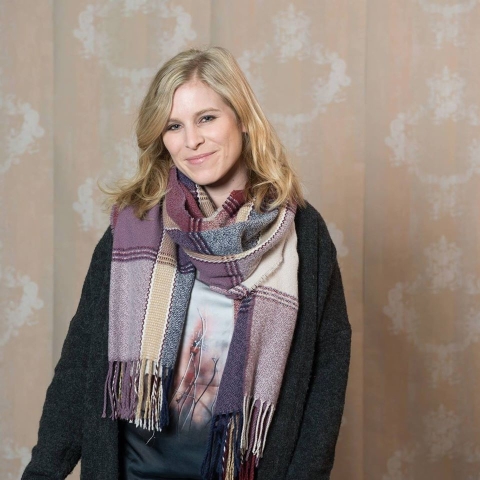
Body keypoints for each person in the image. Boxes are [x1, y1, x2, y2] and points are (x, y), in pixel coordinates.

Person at [22, 46, 351, 480]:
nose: (191, 140)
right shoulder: (134, 226)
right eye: (174, 125)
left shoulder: (303, 235)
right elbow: (80, 363)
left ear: (243, 119)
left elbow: (326, 381)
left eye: (206, 118)